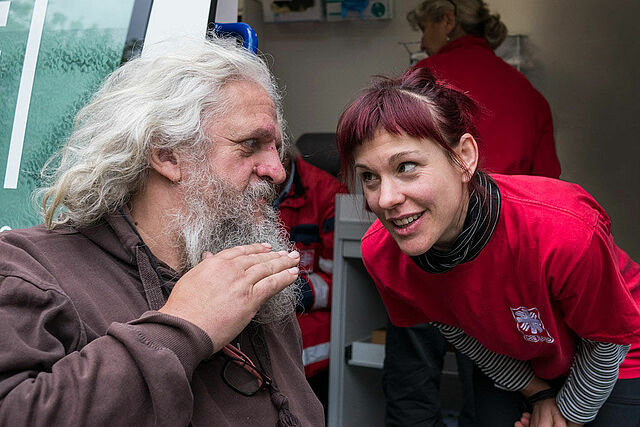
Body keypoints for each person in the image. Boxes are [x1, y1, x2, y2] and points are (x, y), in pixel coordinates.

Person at [0, 36, 325, 426]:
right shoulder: (30, 269)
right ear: (168, 156)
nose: (277, 170)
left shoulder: (250, 269)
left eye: (275, 146)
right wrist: (184, 326)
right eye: (251, 145)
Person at [335, 66, 640, 427]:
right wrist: (538, 393)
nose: (385, 199)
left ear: (464, 157)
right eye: (369, 176)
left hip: (615, 355)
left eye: (407, 167)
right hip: (516, 360)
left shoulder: (563, 232)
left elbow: (607, 344)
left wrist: (567, 415)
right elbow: (460, 333)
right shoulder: (383, 254)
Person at [383, 1, 563, 425]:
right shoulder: (528, 93)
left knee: (413, 387)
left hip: (423, 255)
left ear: (446, 20)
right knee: (489, 393)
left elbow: (389, 157)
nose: (423, 41)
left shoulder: (422, 81)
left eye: (425, 27)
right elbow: (548, 187)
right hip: (498, 270)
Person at [274, 145, 347, 413]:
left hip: (313, 351)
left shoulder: (328, 193)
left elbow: (342, 284)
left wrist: (282, 289)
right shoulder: (239, 188)